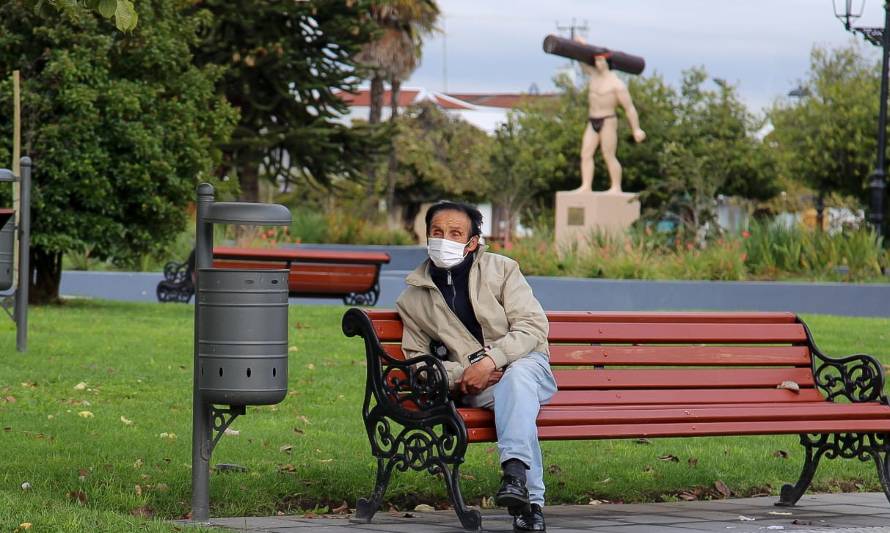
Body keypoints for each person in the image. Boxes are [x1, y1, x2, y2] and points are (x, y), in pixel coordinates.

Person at [396, 201, 556, 532]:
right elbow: (418, 362)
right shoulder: (413, 300)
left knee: (519, 379)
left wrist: (492, 361)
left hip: (528, 365)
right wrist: (466, 375)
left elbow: (532, 327)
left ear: (472, 242)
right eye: (437, 233)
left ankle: (517, 477)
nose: (444, 240)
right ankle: (525, 496)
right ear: (426, 237)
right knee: (516, 395)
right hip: (477, 386)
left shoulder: (503, 269)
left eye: (455, 233)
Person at [575, 36, 646, 194]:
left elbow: (629, 108)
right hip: (592, 119)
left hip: (608, 121)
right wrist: (580, 44)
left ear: (608, 63)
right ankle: (586, 185)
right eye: (597, 60)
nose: (599, 64)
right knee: (585, 153)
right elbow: (581, 60)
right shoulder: (592, 75)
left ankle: (615, 186)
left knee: (608, 155)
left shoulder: (617, 85)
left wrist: (636, 129)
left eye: (602, 61)